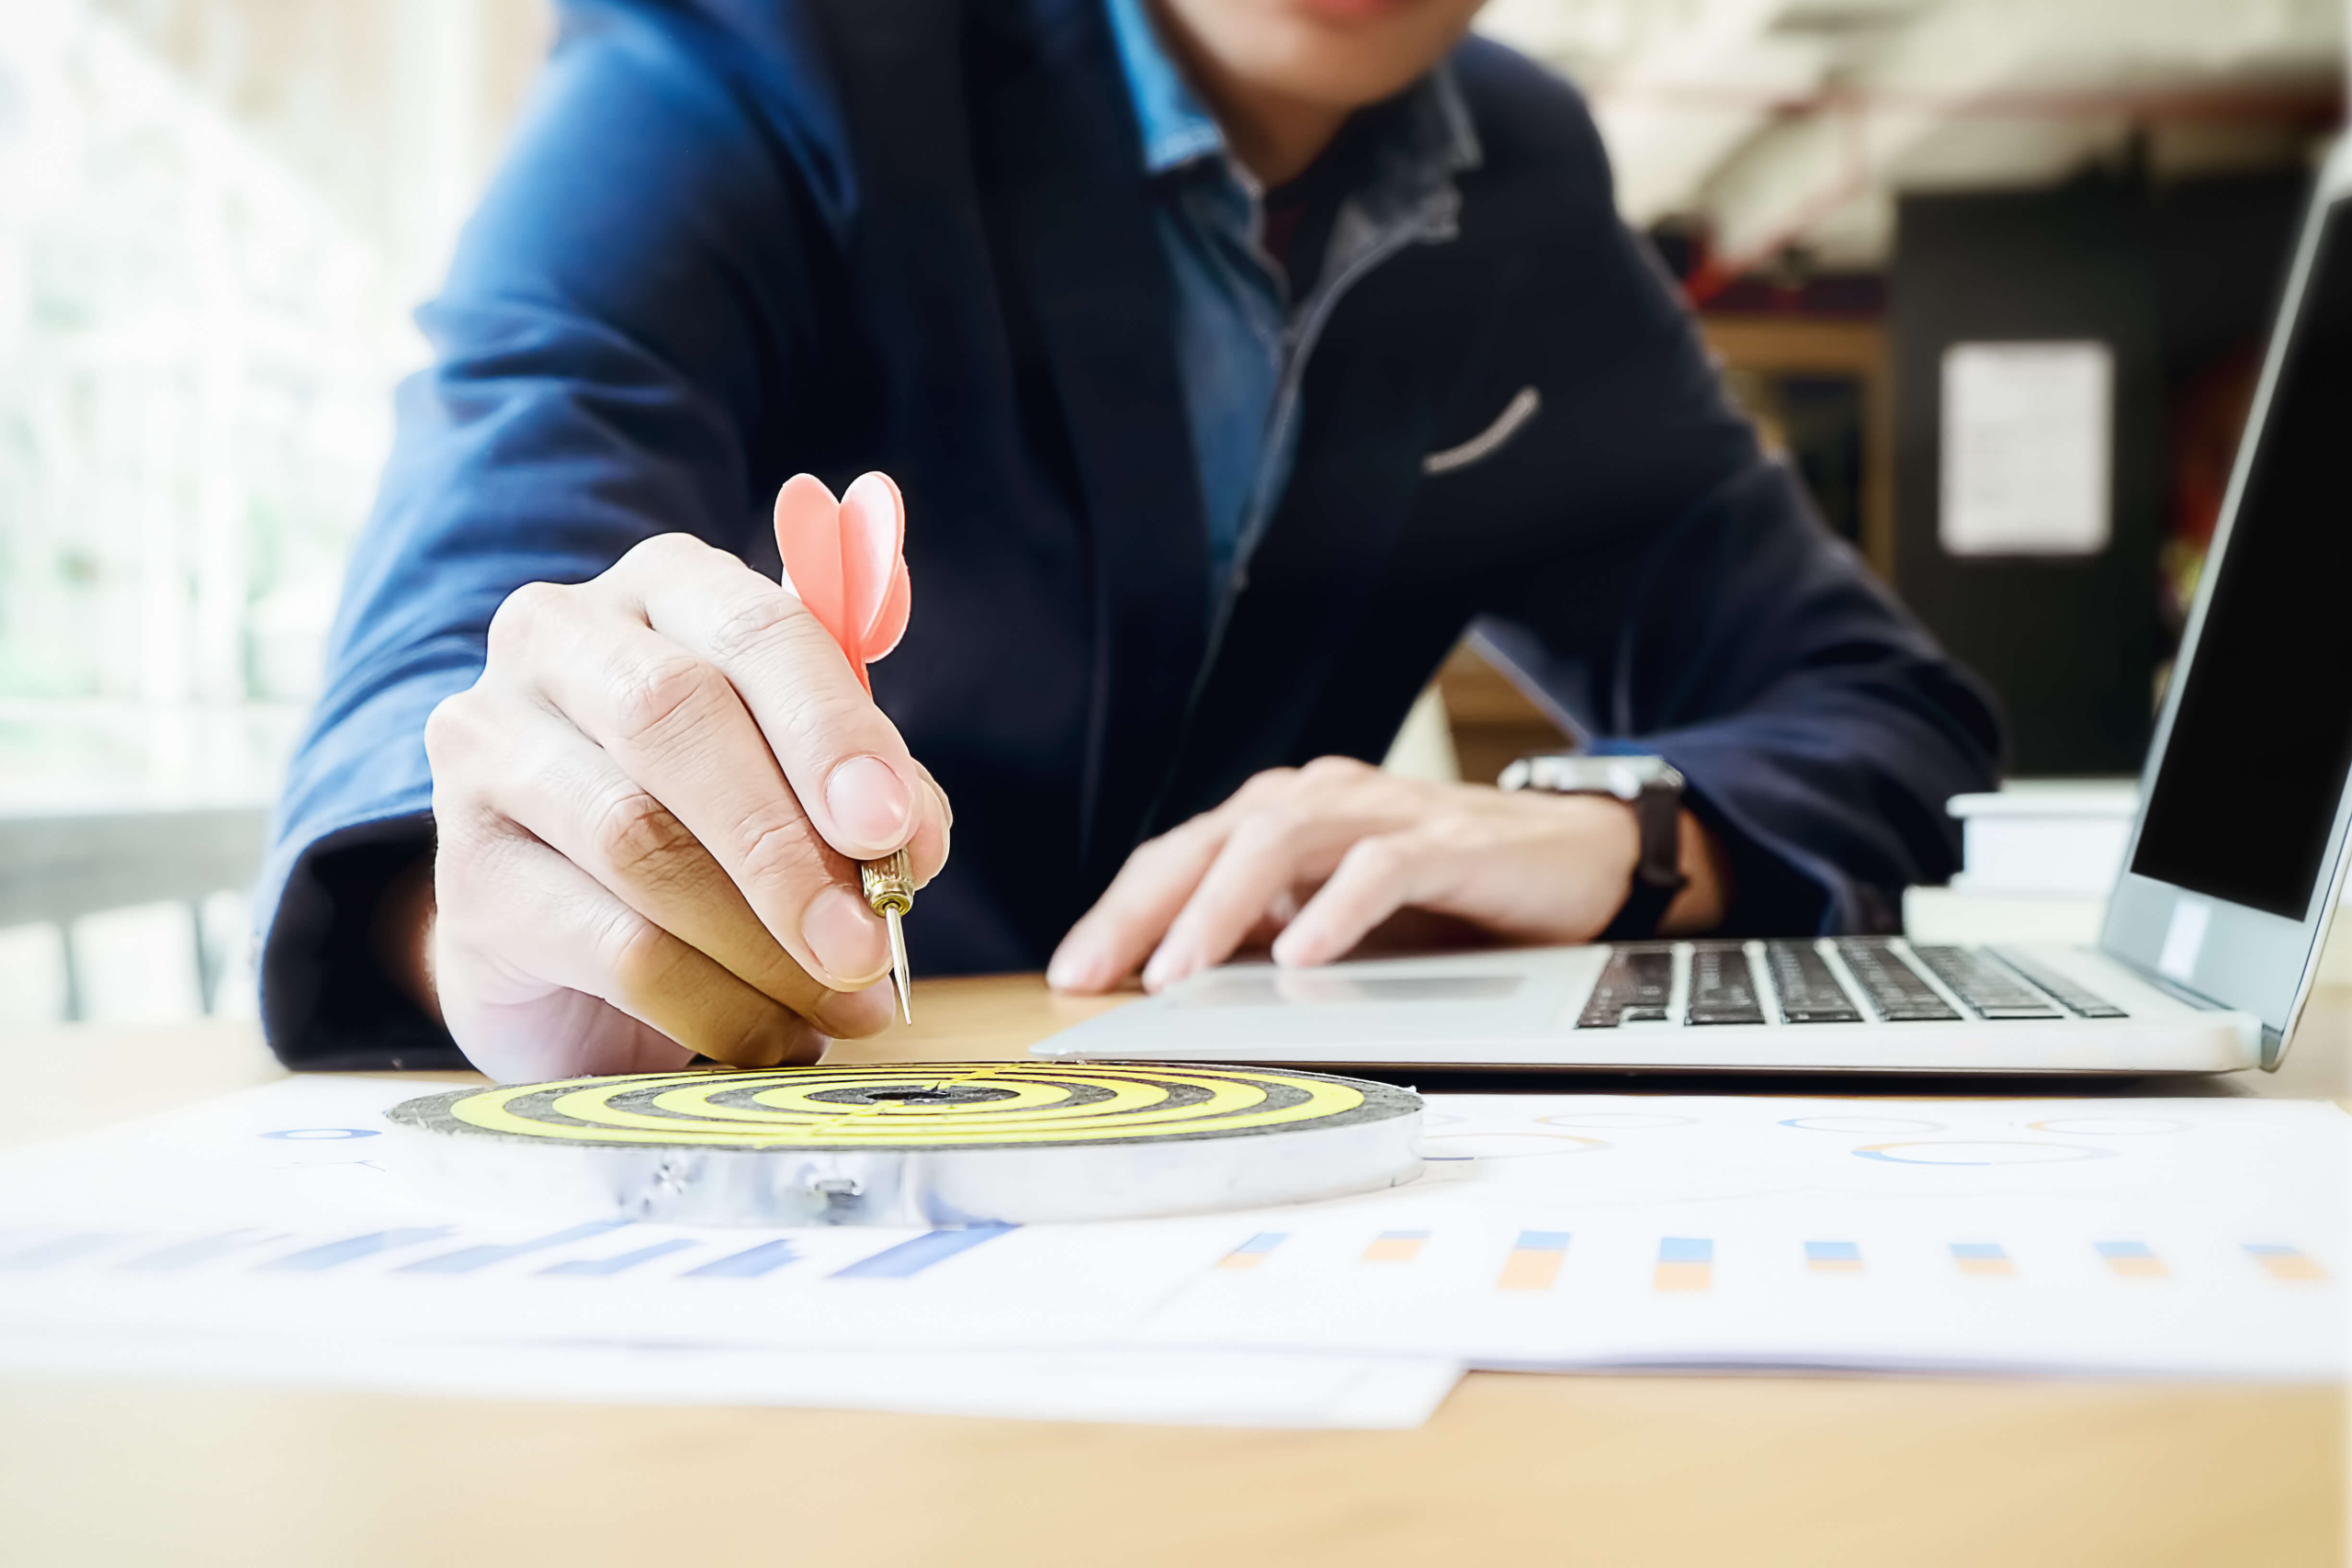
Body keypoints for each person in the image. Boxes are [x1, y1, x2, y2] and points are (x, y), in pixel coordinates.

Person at [258, 0, 2001, 1080]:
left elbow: (1867, 703)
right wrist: (486, 914)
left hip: (1253, 1173)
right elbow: (471, 639)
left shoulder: (1516, 172)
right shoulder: (758, 42)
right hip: (803, 1126)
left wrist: (1618, 840)